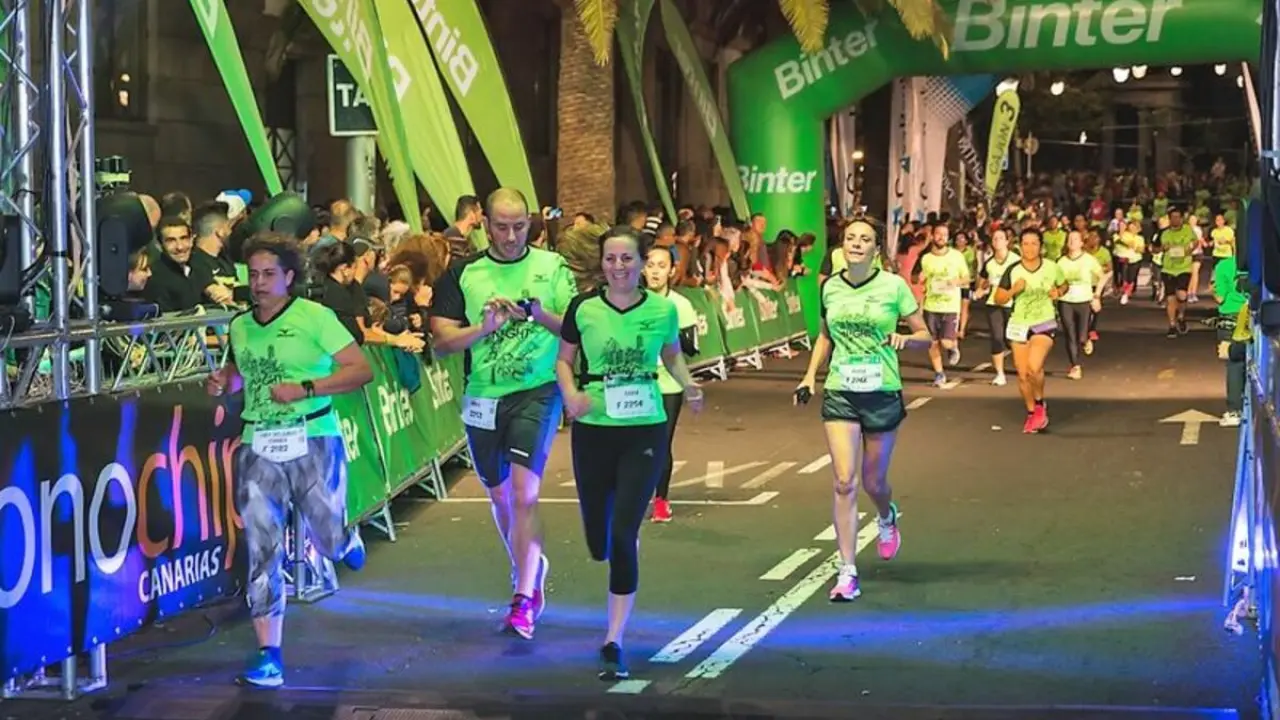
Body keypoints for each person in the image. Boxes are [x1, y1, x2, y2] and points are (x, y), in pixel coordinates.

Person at [206, 232, 371, 687]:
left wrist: (306, 389)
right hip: (258, 442)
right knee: (262, 548)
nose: (259, 283)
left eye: (269, 274)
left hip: (312, 436)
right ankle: (269, 654)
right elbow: (240, 372)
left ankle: (344, 542)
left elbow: (361, 370)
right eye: (253, 274)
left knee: (327, 536)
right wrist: (224, 382)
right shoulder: (240, 325)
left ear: (289, 277)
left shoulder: (316, 317)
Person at [555, 226, 704, 679]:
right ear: (601, 263)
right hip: (594, 428)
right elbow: (564, 360)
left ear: (642, 263)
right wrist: (570, 395)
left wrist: (689, 384)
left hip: (644, 428)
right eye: (611, 259)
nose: (618, 267)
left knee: (624, 533)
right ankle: (604, 542)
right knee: (598, 539)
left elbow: (672, 355)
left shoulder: (661, 310)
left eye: (627, 259)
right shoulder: (583, 307)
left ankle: (613, 640)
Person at [430, 188, 577, 640]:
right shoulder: (462, 274)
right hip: (483, 397)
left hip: (537, 391)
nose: (511, 237)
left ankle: (522, 597)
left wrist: (535, 313)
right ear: (485, 225)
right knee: (499, 497)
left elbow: (574, 328)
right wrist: (484, 327)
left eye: (519, 227)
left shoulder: (552, 267)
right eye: (502, 227)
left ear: (530, 224)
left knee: (523, 494)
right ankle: (528, 564)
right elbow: (442, 342)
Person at [795, 218, 931, 602]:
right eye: (851, 238)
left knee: (874, 482)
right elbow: (825, 336)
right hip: (841, 389)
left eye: (865, 239)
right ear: (842, 245)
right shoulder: (830, 287)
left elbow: (925, 336)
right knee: (843, 480)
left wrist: (905, 339)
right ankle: (847, 572)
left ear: (876, 249)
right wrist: (809, 376)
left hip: (881, 390)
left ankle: (886, 515)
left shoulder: (893, 286)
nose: (856, 243)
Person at [642, 243, 701, 522]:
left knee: (661, 442)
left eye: (662, 266)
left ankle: (661, 500)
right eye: (650, 265)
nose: (655, 272)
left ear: (672, 271)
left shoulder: (681, 305)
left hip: (668, 382)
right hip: (637, 381)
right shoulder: (632, 301)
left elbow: (691, 348)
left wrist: (669, 330)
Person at [993, 229, 1067, 434]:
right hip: (1019, 324)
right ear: (1020, 246)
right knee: (1023, 374)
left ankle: (1040, 404)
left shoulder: (1052, 267)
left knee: (1034, 366)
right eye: (1025, 243)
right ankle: (1031, 411)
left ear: (1041, 246)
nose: (1030, 248)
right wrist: (1013, 290)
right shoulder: (1013, 270)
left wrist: (1058, 292)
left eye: (1034, 243)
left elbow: (1064, 285)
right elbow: (999, 298)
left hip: (1044, 322)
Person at [909, 224, 969, 387]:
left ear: (948, 238)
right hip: (931, 306)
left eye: (945, 235)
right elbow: (914, 278)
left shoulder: (956, 256)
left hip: (950, 306)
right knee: (932, 342)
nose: (941, 237)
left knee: (945, 342)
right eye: (938, 234)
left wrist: (955, 282)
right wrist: (919, 278)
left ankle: (952, 347)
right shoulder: (926, 258)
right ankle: (939, 373)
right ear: (932, 236)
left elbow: (966, 278)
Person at [1054, 230, 1103, 380]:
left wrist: (1097, 296)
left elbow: (1103, 276)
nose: (1072, 242)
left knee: (1081, 337)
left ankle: (1086, 339)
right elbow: (1054, 281)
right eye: (1069, 239)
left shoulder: (1088, 259)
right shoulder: (1061, 261)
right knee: (1070, 335)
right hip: (1065, 301)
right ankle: (1075, 366)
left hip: (1084, 300)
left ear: (1082, 243)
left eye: (1075, 239)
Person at [975, 228, 1019, 386]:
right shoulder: (989, 263)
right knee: (996, 338)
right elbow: (982, 282)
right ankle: (1000, 374)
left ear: (1007, 241)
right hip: (994, 304)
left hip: (1013, 304)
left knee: (1012, 339)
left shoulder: (1016, 260)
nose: (997, 241)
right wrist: (981, 290)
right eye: (994, 239)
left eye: (1000, 238)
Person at [1154, 208, 1196, 337]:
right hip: (1168, 268)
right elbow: (1153, 248)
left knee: (1182, 295)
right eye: (1173, 217)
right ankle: (1172, 325)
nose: (1175, 220)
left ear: (1182, 219)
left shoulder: (1188, 230)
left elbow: (1195, 242)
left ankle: (1181, 316)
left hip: (1184, 267)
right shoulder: (1163, 233)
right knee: (1170, 298)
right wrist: (1162, 248)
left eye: (1178, 217)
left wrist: (1190, 250)